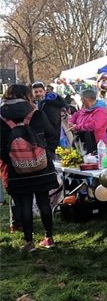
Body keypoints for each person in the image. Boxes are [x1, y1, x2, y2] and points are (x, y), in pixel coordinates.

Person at [0, 84, 59, 252]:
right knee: (43, 202)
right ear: (27, 95)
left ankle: (29, 243)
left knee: (24, 204)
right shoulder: (36, 113)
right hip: (41, 167)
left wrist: (11, 159)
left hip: (16, 169)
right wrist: (42, 151)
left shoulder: (1, 117)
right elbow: (52, 134)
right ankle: (49, 238)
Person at [32, 82, 67, 154]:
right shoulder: (38, 103)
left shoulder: (51, 104)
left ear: (45, 92)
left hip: (50, 140)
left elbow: (52, 124)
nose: (38, 94)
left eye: (40, 91)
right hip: (44, 139)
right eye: (36, 92)